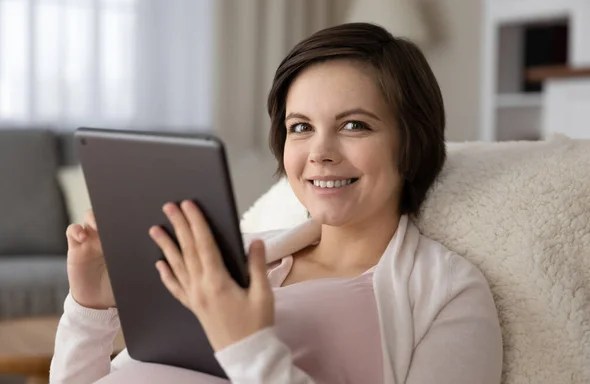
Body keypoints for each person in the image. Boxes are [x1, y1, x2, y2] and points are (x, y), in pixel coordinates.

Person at [50, 23, 503, 384]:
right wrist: (89, 308)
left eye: (354, 125)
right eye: (300, 127)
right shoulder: (235, 256)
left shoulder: (447, 292)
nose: (319, 152)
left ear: (412, 143)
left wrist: (245, 344)